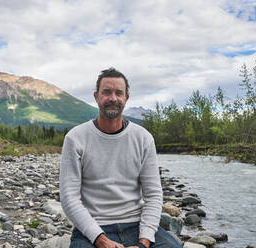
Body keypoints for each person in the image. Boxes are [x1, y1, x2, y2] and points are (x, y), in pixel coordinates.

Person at [59, 68, 182, 248]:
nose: (113, 98)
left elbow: (153, 195)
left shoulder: (143, 138)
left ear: (126, 98)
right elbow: (69, 198)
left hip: (137, 224)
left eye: (119, 93)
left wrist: (144, 242)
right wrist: (100, 239)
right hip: (92, 228)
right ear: (96, 96)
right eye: (106, 92)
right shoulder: (75, 138)